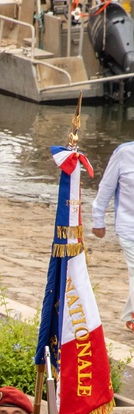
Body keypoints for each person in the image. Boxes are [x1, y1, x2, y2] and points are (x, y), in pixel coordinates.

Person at [92, 136, 134, 331]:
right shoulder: (124, 153)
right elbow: (107, 186)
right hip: (129, 227)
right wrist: (98, 219)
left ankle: (130, 315)